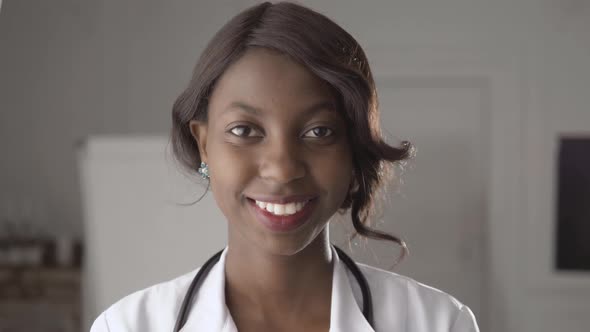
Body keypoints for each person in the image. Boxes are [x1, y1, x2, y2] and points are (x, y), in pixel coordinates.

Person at [90, 2, 479, 331]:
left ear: (353, 149)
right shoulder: (127, 326)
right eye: (244, 130)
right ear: (203, 144)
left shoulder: (439, 323)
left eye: (319, 131)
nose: (281, 168)